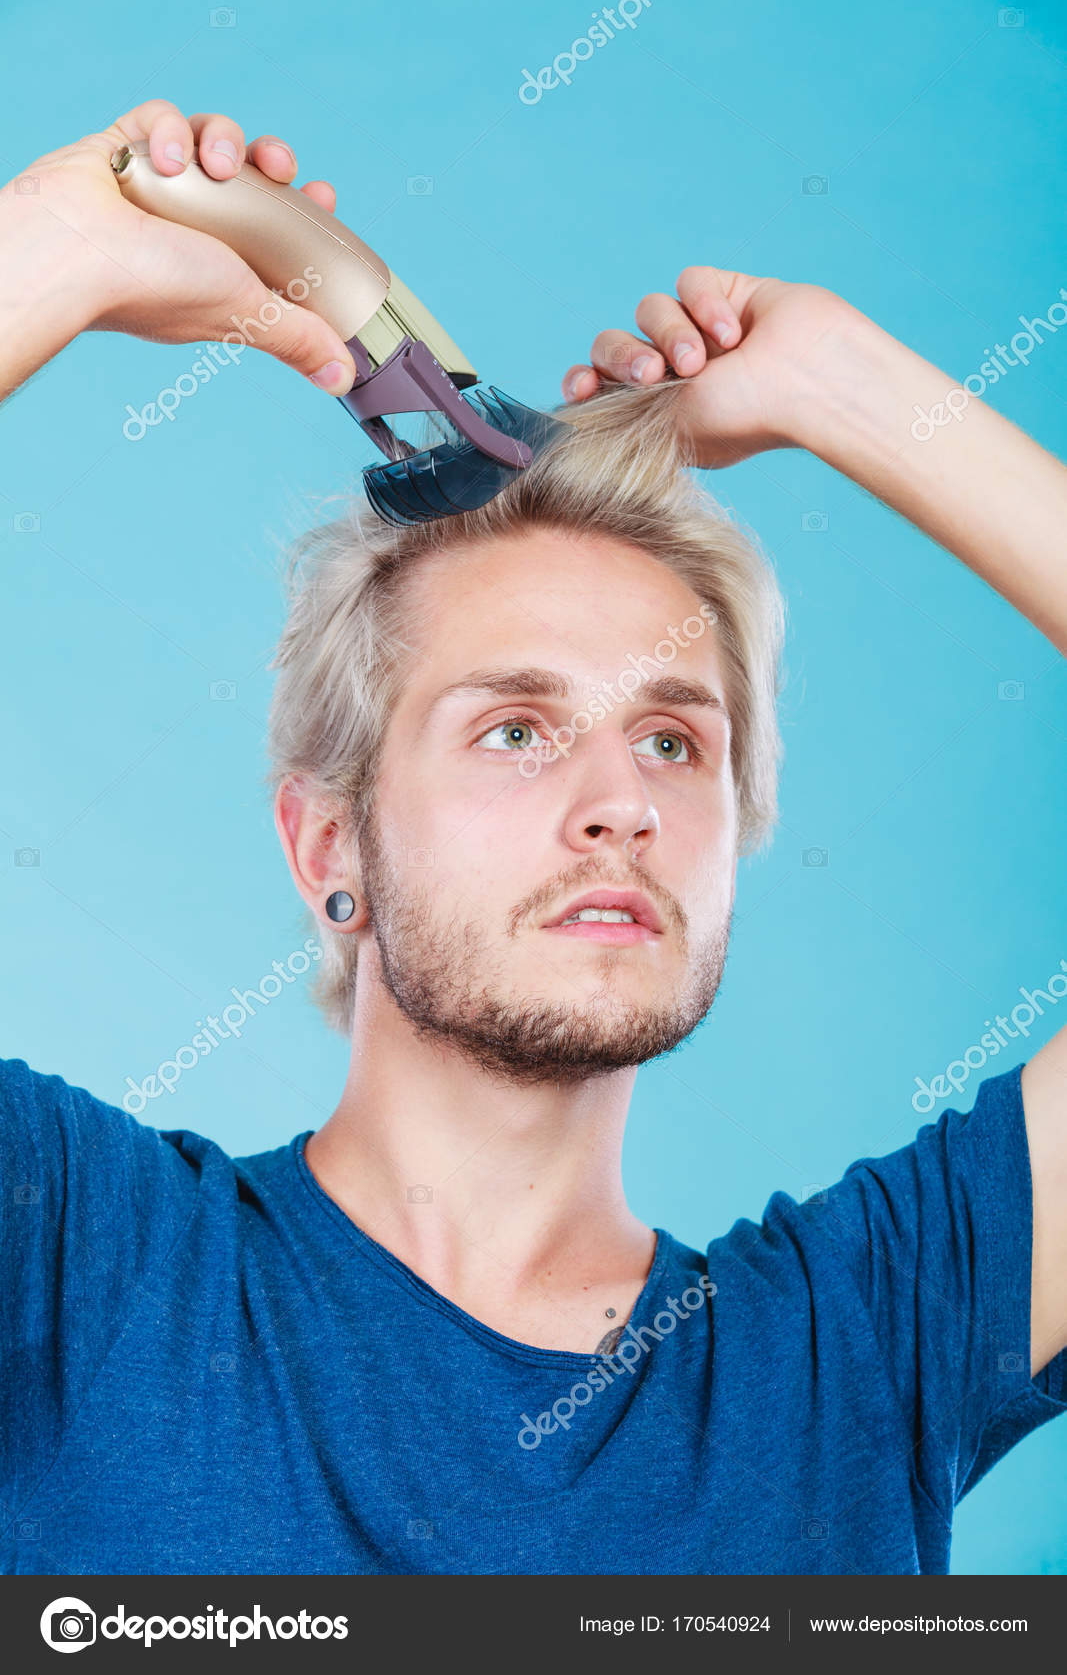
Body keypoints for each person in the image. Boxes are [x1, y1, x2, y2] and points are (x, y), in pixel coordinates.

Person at [2, 100, 1065, 1579]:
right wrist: (56, 247)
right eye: (515, 727)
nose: (620, 800)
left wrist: (847, 389)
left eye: (675, 739)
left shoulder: (866, 1347)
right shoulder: (81, 1261)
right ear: (331, 848)